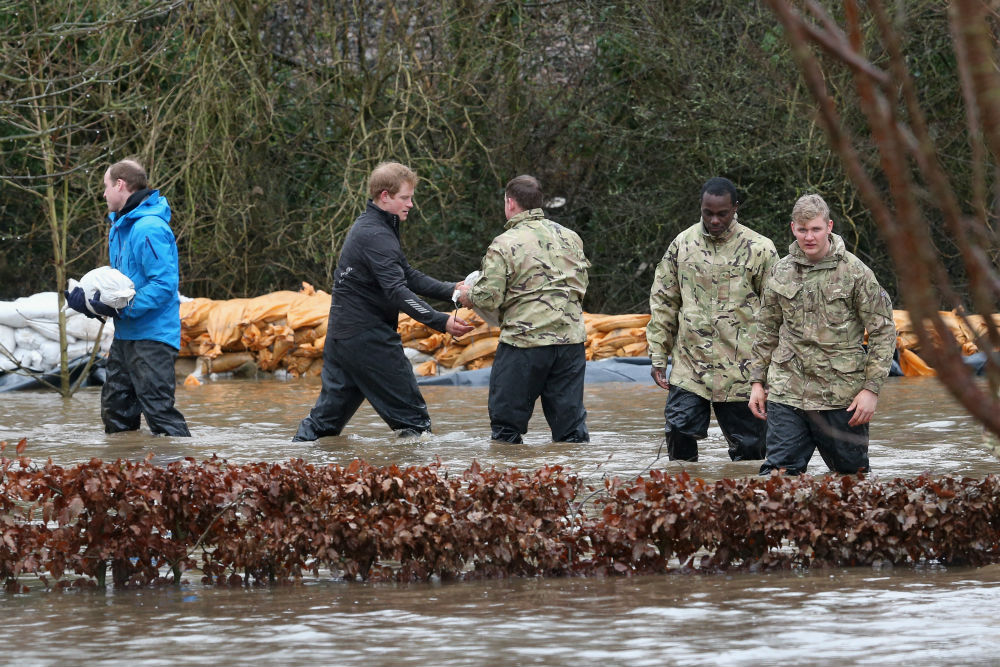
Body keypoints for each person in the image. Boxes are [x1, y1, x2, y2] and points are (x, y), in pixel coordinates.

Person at [294, 162, 473, 440]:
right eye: (405, 197)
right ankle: (415, 481)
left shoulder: (374, 228)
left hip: (343, 338)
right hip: (369, 340)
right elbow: (397, 291)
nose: (411, 204)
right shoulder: (376, 235)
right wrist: (441, 321)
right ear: (385, 196)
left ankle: (291, 463)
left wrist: (452, 291)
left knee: (323, 427)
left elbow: (407, 275)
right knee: (415, 427)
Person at [749, 194, 896, 475]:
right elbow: (766, 329)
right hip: (787, 393)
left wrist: (871, 390)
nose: (809, 237)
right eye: (803, 230)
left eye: (815, 229)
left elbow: (883, 332)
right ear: (793, 228)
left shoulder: (856, 273)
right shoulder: (779, 273)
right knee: (777, 482)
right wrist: (757, 382)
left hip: (841, 396)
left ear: (828, 226)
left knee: (852, 482)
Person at [646, 177, 778, 461]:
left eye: (722, 213)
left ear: (735, 208)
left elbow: (776, 313)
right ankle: (682, 499)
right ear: (701, 207)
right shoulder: (682, 245)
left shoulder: (760, 249)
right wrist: (658, 355)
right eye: (708, 212)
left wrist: (771, 370)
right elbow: (664, 302)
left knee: (751, 453)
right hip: (691, 367)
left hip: (742, 370)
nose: (714, 220)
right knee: (678, 434)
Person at [457, 175, 590, 443]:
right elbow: (581, 285)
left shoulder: (504, 243)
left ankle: (510, 480)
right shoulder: (571, 237)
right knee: (571, 431)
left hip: (524, 345)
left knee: (506, 428)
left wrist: (465, 294)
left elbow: (489, 297)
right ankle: (575, 478)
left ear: (510, 203)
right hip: (570, 346)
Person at [65, 159, 191, 436]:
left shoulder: (149, 228)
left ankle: (184, 474)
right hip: (125, 337)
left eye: (106, 187)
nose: (104, 194)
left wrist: (121, 309)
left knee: (159, 413)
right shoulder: (120, 229)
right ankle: (125, 472)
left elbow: (163, 285)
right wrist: (90, 302)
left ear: (120, 185)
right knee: (116, 411)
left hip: (153, 338)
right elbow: (120, 286)